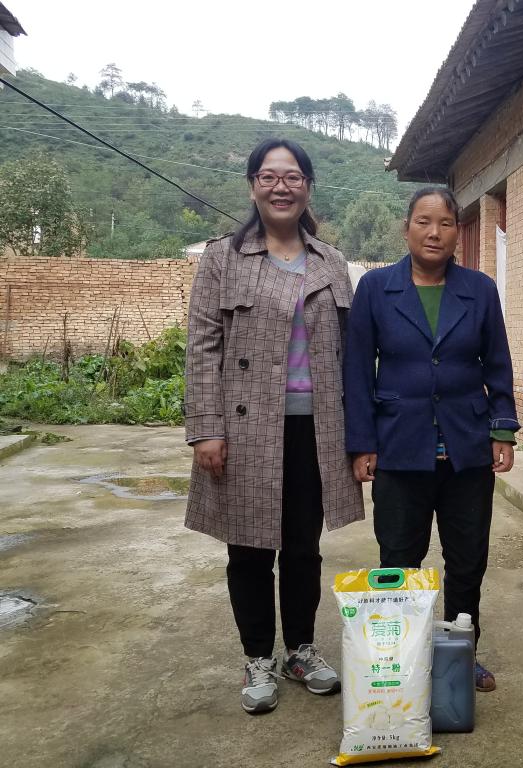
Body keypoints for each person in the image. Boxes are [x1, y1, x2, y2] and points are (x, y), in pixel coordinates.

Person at [184, 138, 364, 714]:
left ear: (308, 186)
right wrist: (206, 427)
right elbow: (203, 346)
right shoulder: (224, 258)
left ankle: (301, 649)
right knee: (250, 548)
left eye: (292, 177)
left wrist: (361, 434)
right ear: (252, 187)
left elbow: (352, 353)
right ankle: (258, 656)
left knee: (304, 547)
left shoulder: (331, 261)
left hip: (318, 428)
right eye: (268, 176)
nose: (280, 187)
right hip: (246, 429)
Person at [343, 186, 519, 693]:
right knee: (399, 559)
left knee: (467, 560)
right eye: (424, 221)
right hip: (400, 448)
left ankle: (462, 656)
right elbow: (358, 370)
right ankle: (401, 663)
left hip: (466, 449)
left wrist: (502, 429)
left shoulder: (479, 290)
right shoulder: (376, 288)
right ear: (406, 229)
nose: (434, 232)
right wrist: (362, 443)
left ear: (457, 232)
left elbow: (497, 363)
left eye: (445, 222)